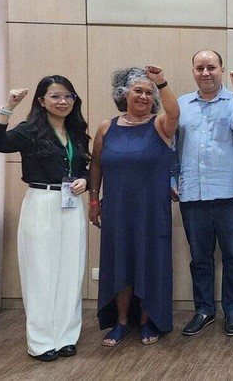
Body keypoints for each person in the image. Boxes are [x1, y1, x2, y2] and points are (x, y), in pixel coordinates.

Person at [0, 76, 90, 361]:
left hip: (71, 204)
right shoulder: (30, 130)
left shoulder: (77, 130)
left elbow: (87, 166)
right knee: (40, 273)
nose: (63, 102)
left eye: (68, 96)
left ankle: (67, 336)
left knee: (71, 271)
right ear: (41, 101)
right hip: (41, 201)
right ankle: (42, 341)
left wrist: (86, 180)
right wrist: (8, 106)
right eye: (55, 96)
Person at [89, 65, 179, 347]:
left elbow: (174, 112)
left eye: (148, 93)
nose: (143, 96)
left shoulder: (160, 125)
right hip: (117, 210)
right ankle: (122, 321)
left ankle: (147, 320)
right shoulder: (107, 127)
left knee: (150, 261)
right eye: (137, 90)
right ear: (123, 93)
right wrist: (93, 200)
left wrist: (161, 83)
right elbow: (96, 165)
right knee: (120, 262)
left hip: (151, 211)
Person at [175, 50, 233, 337]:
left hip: (231, 194)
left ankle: (232, 312)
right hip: (192, 194)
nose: (205, 73)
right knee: (200, 257)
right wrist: (173, 178)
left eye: (211, 67)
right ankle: (204, 310)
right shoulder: (182, 104)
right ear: (193, 71)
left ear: (222, 69)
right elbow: (171, 145)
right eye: (200, 68)